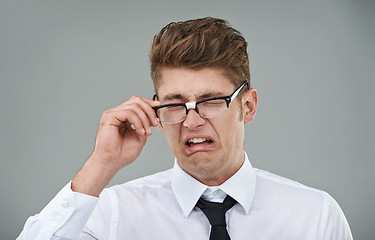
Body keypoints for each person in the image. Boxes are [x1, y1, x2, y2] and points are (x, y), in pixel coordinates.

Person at [17, 17, 353, 240]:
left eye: (211, 100)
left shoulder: (315, 216)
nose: (191, 121)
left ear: (247, 106)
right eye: (175, 104)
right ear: (157, 113)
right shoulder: (113, 213)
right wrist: (101, 164)